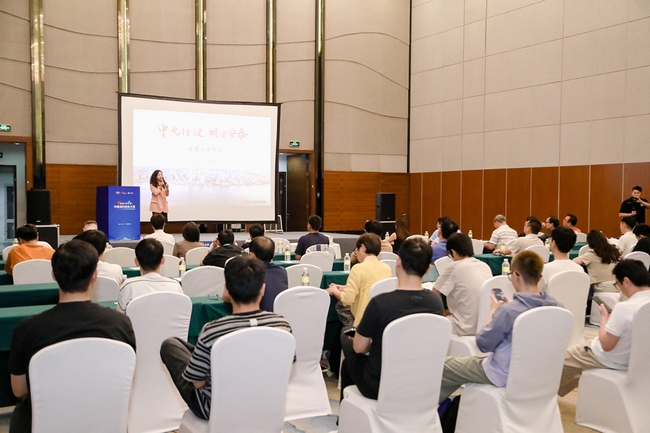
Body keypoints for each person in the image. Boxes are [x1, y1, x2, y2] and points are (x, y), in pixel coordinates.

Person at [8, 240, 136, 433]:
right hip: (103, 419)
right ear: (95, 275)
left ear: (53, 275)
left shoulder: (26, 329)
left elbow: (19, 390)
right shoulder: (121, 324)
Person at [159, 256, 292, 420]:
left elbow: (198, 384)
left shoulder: (212, 330)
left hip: (216, 409)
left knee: (171, 345)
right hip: (267, 404)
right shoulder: (282, 325)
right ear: (263, 289)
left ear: (226, 290)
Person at [438, 251, 562, 403]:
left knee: (444, 366)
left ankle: (425, 407)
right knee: (460, 369)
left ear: (516, 275)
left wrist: (493, 311)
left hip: (502, 374)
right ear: (540, 277)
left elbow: (483, 344)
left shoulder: (509, 311)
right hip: (540, 374)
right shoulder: (558, 308)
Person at [340, 237, 444, 400]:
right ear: (428, 269)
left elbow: (359, 348)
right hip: (420, 381)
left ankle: (348, 411)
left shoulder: (380, 303)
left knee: (347, 336)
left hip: (379, 384)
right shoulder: (436, 302)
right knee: (348, 365)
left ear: (398, 262)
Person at [558, 259, 650, 396]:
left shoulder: (625, 308)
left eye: (617, 284)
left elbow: (606, 345)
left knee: (561, 361)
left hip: (611, 359)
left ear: (626, 281)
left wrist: (604, 319)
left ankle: (543, 394)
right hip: (637, 361)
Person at [326, 233, 392, 326]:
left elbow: (347, 299)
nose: (356, 253)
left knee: (340, 307)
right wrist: (344, 287)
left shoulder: (358, 269)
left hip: (363, 322)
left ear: (363, 248)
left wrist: (334, 290)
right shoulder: (387, 268)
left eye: (357, 250)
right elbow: (369, 286)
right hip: (382, 320)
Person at [433, 233, 492, 336]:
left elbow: (434, 293)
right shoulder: (485, 266)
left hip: (465, 327)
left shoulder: (454, 266)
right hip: (486, 325)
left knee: (431, 325)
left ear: (453, 252)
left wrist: (443, 312)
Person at [117, 238, 183, 313]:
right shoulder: (176, 287)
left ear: (136, 262)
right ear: (163, 260)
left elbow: (120, 316)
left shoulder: (128, 286)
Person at [241, 236, 288, 312]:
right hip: (280, 315)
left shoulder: (250, 274)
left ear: (251, 255)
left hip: (258, 317)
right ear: (273, 255)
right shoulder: (282, 272)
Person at [573, 230, 621, 295]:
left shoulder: (592, 253)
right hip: (619, 285)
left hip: (603, 286)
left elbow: (574, 262)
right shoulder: (615, 251)